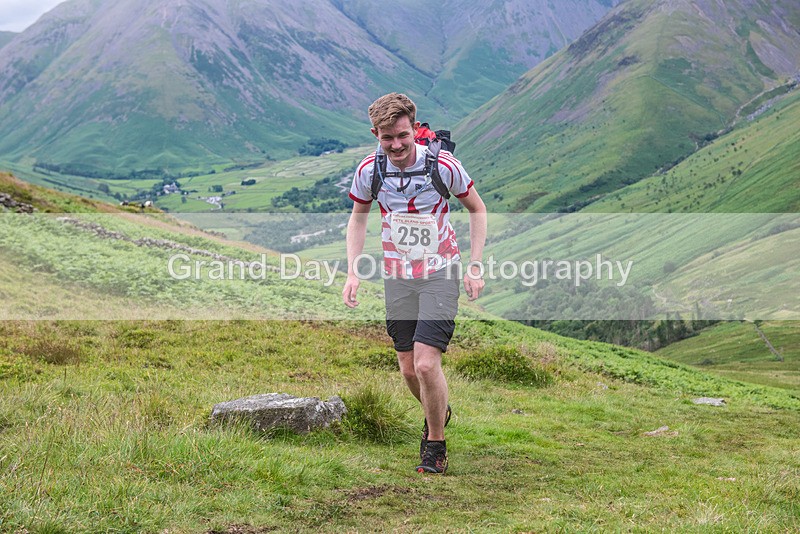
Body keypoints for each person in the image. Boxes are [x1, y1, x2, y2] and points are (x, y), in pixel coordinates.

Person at [342, 92, 487, 474]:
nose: (396, 145)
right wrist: (353, 270)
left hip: (441, 272)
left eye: (402, 135)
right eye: (387, 138)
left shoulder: (442, 165)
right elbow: (358, 218)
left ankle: (435, 444)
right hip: (397, 276)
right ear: (375, 133)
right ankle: (437, 408)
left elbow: (477, 208)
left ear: (413, 128)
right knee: (408, 370)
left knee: (425, 365)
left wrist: (474, 266)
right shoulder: (371, 170)